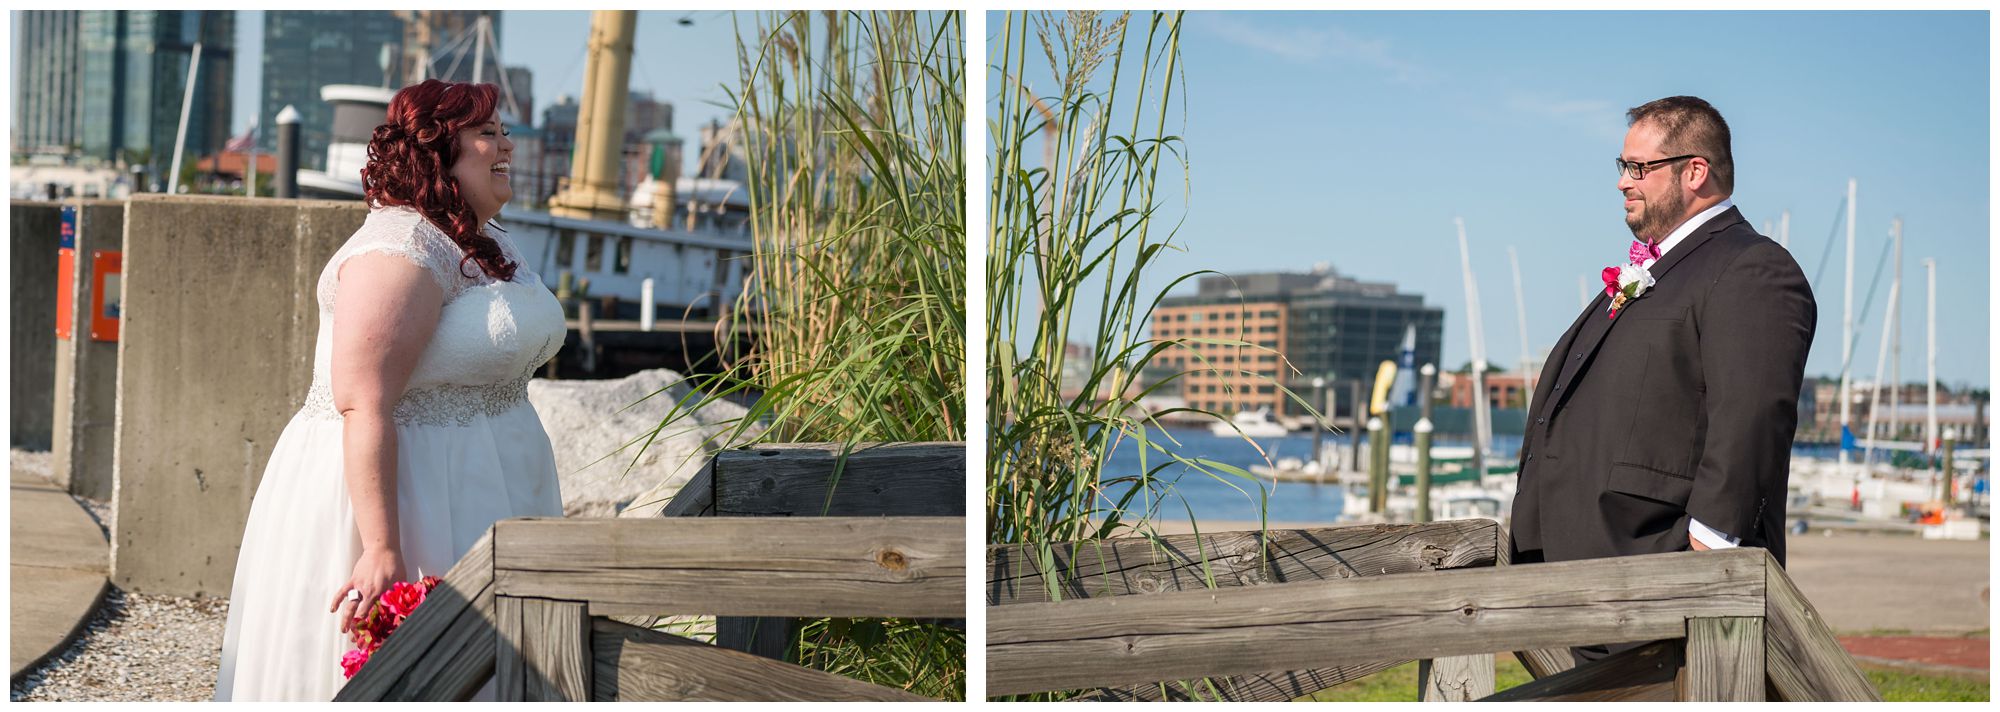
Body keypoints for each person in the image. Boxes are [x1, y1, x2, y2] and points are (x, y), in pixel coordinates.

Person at [214, 80, 565, 701]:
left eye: (504, 130)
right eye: (487, 133)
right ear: (435, 150)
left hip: (486, 487)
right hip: (416, 497)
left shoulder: (480, 238)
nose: (506, 144)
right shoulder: (399, 248)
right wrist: (381, 547)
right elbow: (363, 399)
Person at [1506, 96, 1816, 664]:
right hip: (1597, 575)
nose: (1624, 182)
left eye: (1639, 168)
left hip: (1660, 571)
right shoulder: (1658, 268)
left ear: (1694, 170)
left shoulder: (1750, 268)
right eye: (1622, 167)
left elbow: (1751, 415)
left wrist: (1709, 546)